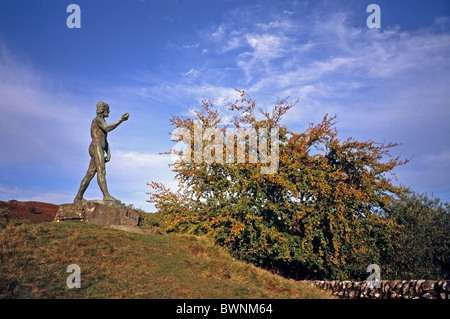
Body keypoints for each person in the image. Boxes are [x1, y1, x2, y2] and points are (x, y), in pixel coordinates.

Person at [74, 101, 129, 203]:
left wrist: (108, 151)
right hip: (96, 146)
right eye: (108, 110)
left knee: (90, 174)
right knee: (101, 171)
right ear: (103, 110)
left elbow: (103, 138)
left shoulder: (102, 121)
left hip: (100, 147)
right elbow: (107, 129)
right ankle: (106, 196)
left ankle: (78, 197)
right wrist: (121, 120)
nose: (109, 111)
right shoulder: (97, 120)